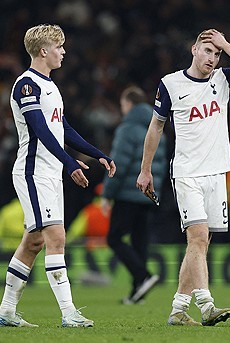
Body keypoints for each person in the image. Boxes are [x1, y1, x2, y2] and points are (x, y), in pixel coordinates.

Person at [136, 28, 230, 326]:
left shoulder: (223, 79)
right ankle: (206, 306)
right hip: (187, 173)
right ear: (194, 50)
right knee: (197, 237)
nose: (212, 58)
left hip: (217, 174)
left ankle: (178, 310)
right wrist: (145, 170)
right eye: (208, 51)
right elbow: (155, 128)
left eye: (216, 54)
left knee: (201, 243)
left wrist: (226, 44)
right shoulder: (171, 84)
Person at [0, 24, 116, 328]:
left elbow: (63, 129)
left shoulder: (50, 85)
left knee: (33, 242)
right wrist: (69, 163)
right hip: (34, 171)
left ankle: (7, 311)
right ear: (43, 51)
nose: (63, 51)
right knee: (56, 237)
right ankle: (68, 312)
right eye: (59, 47)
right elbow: (40, 130)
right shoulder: (27, 85)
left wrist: (97, 153)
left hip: (49, 172)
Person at [101, 85, 167, 304]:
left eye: (122, 105)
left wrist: (107, 194)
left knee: (114, 238)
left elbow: (118, 163)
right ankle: (137, 292)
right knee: (140, 241)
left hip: (127, 193)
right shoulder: (156, 125)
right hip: (147, 193)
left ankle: (143, 276)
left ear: (128, 104)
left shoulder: (128, 128)